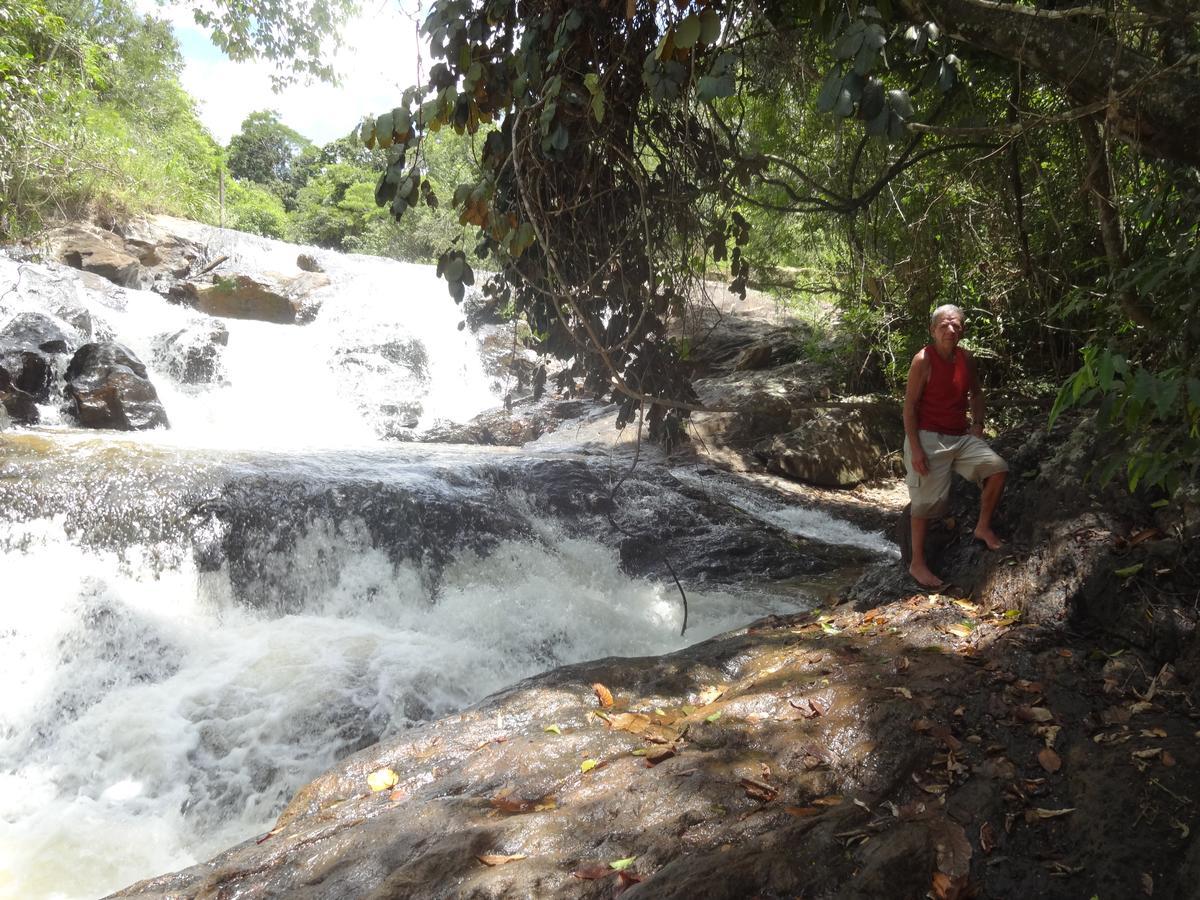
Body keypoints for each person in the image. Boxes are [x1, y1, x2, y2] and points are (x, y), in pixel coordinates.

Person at [902, 304, 1008, 588]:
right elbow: (910, 407)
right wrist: (916, 449)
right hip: (927, 436)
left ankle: (982, 527)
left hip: (959, 436)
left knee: (997, 469)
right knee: (925, 504)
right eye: (944, 325)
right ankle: (917, 564)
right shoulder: (923, 360)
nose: (951, 330)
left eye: (956, 325)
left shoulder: (965, 358)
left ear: (962, 330)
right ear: (933, 330)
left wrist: (978, 425)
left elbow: (976, 393)